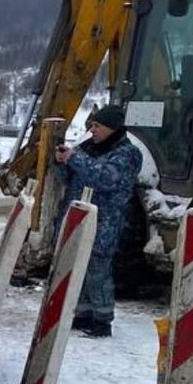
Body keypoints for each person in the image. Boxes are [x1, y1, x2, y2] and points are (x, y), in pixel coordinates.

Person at [53, 105, 142, 338]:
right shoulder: (88, 149)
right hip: (80, 218)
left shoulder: (127, 154)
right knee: (79, 267)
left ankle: (102, 319)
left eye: (97, 126)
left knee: (97, 270)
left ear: (112, 128)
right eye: (91, 125)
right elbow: (69, 177)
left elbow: (104, 178)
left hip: (104, 222)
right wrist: (61, 161)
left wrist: (74, 158)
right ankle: (82, 314)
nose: (92, 130)